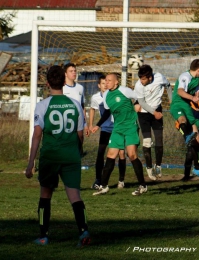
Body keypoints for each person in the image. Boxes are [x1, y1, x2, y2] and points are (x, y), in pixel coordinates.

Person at [25, 65, 90, 247]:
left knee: (45, 194)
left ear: (47, 84)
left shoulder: (43, 105)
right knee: (75, 195)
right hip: (71, 155)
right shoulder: (75, 105)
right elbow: (80, 134)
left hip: (50, 156)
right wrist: (76, 151)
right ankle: (83, 230)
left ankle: (44, 236)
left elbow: (37, 135)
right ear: (64, 82)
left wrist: (31, 163)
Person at [91, 73, 147, 196]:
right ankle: (104, 186)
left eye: (109, 80)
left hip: (130, 126)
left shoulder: (125, 91)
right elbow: (107, 112)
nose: (107, 82)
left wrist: (137, 104)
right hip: (117, 128)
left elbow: (139, 96)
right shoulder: (106, 95)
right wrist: (97, 125)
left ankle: (142, 185)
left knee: (132, 155)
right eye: (105, 80)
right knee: (110, 155)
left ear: (116, 82)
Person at [134, 64, 172, 180]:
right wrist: (154, 113)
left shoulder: (160, 77)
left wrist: (172, 100)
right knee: (147, 141)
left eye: (143, 78)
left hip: (157, 111)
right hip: (144, 114)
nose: (141, 81)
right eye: (140, 78)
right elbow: (142, 102)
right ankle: (149, 168)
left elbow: (168, 85)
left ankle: (158, 166)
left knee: (159, 139)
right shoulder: (138, 85)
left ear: (150, 77)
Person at [89, 75, 126, 190]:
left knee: (121, 153)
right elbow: (92, 109)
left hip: (118, 128)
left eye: (107, 82)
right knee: (101, 153)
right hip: (105, 129)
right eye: (103, 83)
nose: (106, 85)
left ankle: (121, 180)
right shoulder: (96, 98)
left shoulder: (115, 95)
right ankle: (98, 180)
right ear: (99, 85)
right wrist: (91, 125)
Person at [170, 59, 199, 146]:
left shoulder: (196, 78)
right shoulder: (185, 77)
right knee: (183, 120)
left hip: (187, 105)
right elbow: (180, 91)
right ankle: (187, 137)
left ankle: (197, 160)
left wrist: (197, 94)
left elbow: (196, 87)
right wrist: (193, 98)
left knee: (197, 138)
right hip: (177, 104)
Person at [63, 62, 90, 138]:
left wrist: (85, 124)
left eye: (75, 71)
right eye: (71, 71)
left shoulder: (80, 88)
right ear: (65, 73)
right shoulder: (61, 88)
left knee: (79, 143)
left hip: (78, 121)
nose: (74, 73)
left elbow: (82, 106)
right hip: (65, 122)